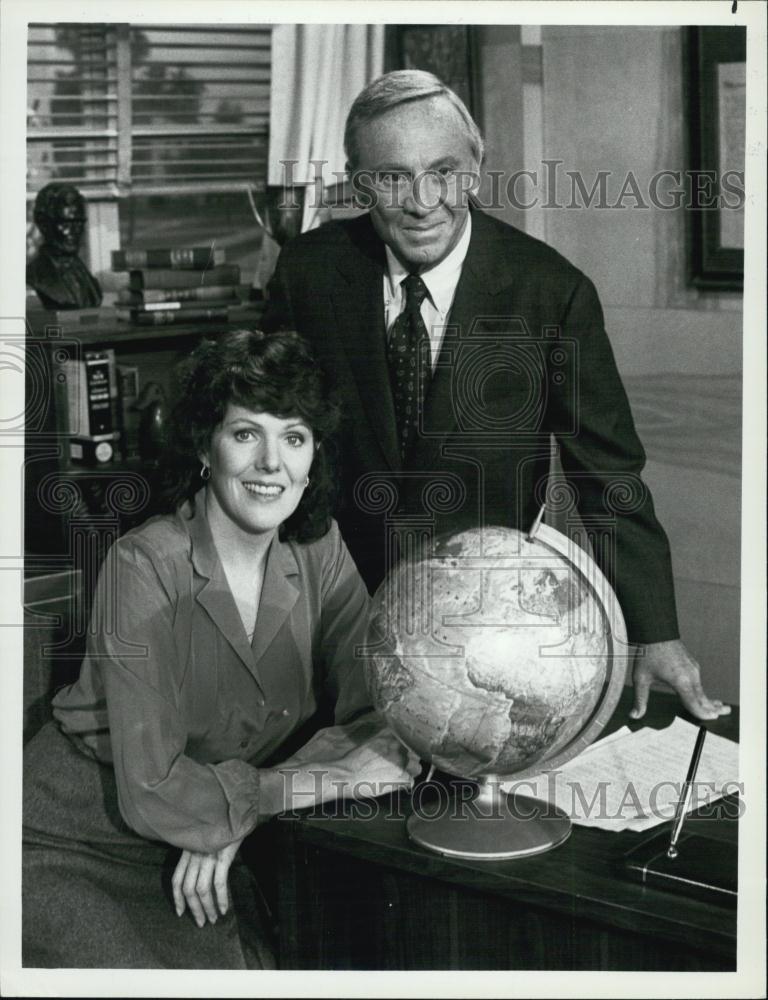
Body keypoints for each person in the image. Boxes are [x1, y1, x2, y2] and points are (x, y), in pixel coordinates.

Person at [262, 69, 730, 723]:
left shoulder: (550, 292)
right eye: (392, 177)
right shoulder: (308, 273)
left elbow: (608, 476)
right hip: (330, 611)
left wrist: (654, 630)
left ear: (475, 172)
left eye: (444, 172)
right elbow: (270, 434)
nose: (423, 201)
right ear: (359, 180)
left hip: (483, 629)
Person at [22, 329, 420, 969]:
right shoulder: (143, 564)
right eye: (245, 434)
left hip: (202, 833)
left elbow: (384, 712)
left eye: (293, 437)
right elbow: (151, 787)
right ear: (205, 448)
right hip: (73, 839)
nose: (272, 463)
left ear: (313, 456)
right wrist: (292, 789)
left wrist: (233, 816)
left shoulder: (320, 550)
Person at [26, 182, 103, 310]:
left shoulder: (87, 276)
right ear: (43, 224)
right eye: (65, 223)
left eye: (79, 222)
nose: (73, 232)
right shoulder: (35, 275)